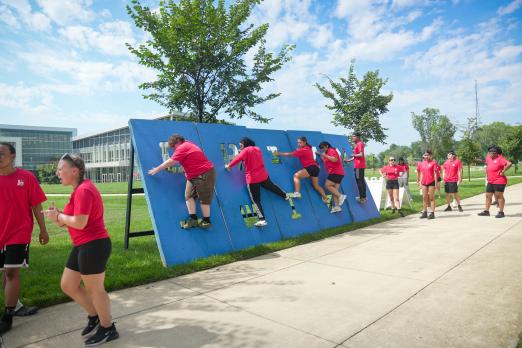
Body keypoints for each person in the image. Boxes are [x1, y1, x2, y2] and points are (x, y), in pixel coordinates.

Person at [43, 154, 119, 346]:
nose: (57, 172)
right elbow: (69, 219)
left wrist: (59, 217)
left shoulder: (84, 190)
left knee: (95, 290)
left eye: (61, 169)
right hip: (83, 244)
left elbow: (79, 222)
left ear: (74, 171)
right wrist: (57, 216)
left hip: (94, 245)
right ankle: (95, 316)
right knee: (68, 285)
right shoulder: (78, 190)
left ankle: (108, 328)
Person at [0, 143, 49, 334]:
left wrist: (43, 230)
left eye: (1, 153)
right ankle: (17, 305)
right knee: (5, 272)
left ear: (12, 156)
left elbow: (36, 206)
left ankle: (8, 316)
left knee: (12, 272)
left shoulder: (26, 177)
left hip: (19, 233)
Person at [149, 134, 216, 228]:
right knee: (188, 196)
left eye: (173, 147)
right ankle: (193, 219)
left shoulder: (183, 147)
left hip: (204, 173)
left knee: (204, 198)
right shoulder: (187, 144)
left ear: (177, 143)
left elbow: (172, 161)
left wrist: (157, 169)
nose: (173, 149)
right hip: (192, 175)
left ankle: (206, 221)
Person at [225, 137, 289, 227]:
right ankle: (285, 196)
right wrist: (242, 152)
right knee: (272, 187)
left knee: (256, 200)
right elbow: (248, 155)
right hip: (263, 175)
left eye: (241, 145)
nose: (240, 147)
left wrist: (229, 165)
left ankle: (262, 220)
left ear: (245, 144)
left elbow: (238, 158)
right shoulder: (257, 149)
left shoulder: (245, 151)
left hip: (253, 179)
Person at [276, 137, 328, 203]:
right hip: (316, 168)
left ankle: (297, 193)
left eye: (300, 142)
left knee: (296, 176)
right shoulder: (308, 148)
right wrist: (299, 149)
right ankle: (325, 198)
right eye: (297, 142)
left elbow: (290, 154)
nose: (298, 144)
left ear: (304, 142)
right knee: (316, 185)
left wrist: (279, 153)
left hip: (310, 167)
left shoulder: (302, 150)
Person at [478, 145, 512, 218]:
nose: (489, 154)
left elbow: (509, 164)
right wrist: (482, 161)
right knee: (487, 196)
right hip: (490, 180)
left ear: (496, 153)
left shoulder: (500, 158)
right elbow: (488, 163)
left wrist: (503, 171)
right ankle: (486, 211)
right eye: (489, 152)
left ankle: (501, 212)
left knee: (499, 196)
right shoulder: (488, 157)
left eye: (491, 153)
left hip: (499, 180)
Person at [317, 141, 346, 213]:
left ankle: (341, 196)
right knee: (334, 190)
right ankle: (337, 207)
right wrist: (320, 155)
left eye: (323, 148)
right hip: (339, 173)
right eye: (321, 149)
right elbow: (325, 160)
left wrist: (324, 155)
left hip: (336, 172)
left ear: (327, 146)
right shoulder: (327, 153)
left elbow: (335, 159)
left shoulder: (332, 150)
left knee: (327, 185)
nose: (322, 150)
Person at [344, 133, 366, 203]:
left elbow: (360, 155)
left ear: (358, 137)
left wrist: (353, 154)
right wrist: (348, 160)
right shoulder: (357, 144)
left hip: (358, 166)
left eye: (354, 136)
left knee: (359, 181)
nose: (352, 137)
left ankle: (362, 198)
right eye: (352, 136)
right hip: (359, 166)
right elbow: (356, 156)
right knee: (361, 181)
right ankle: (363, 197)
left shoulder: (359, 144)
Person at [416, 150, 439, 219]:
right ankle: (425, 213)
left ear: (430, 156)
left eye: (427, 155)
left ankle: (432, 213)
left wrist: (436, 184)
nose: (426, 156)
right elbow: (420, 173)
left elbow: (435, 174)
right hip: (424, 182)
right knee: (424, 198)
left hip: (431, 182)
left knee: (431, 198)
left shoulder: (433, 163)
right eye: (425, 155)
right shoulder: (421, 163)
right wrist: (419, 182)